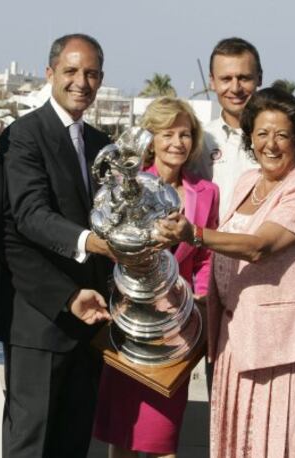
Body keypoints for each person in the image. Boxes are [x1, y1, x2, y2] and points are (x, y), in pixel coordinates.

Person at [155, 88, 295, 457]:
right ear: (250, 137)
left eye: (282, 134)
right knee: (238, 442)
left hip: (286, 348)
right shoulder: (245, 182)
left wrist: (194, 234)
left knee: (278, 445)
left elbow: (260, 246)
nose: (270, 144)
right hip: (234, 341)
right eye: (261, 133)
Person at [0, 33, 116, 458]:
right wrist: (93, 242)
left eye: (90, 73)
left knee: (72, 446)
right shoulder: (23, 136)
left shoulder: (104, 145)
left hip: (91, 326)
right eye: (70, 71)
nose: (80, 82)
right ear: (50, 74)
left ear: (101, 79)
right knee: (30, 448)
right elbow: (29, 216)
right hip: (39, 322)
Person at [93, 96, 219, 458]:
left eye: (185, 134)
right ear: (151, 139)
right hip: (129, 324)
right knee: (124, 437)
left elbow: (206, 258)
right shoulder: (125, 189)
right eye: (168, 134)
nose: (177, 142)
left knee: (164, 439)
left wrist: (201, 296)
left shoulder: (206, 193)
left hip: (174, 329)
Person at [194, 36, 295, 224]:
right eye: (226, 79)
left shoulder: (294, 138)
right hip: (217, 249)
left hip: (279, 247)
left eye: (244, 78)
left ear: (259, 78)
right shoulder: (200, 142)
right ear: (212, 81)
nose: (235, 88)